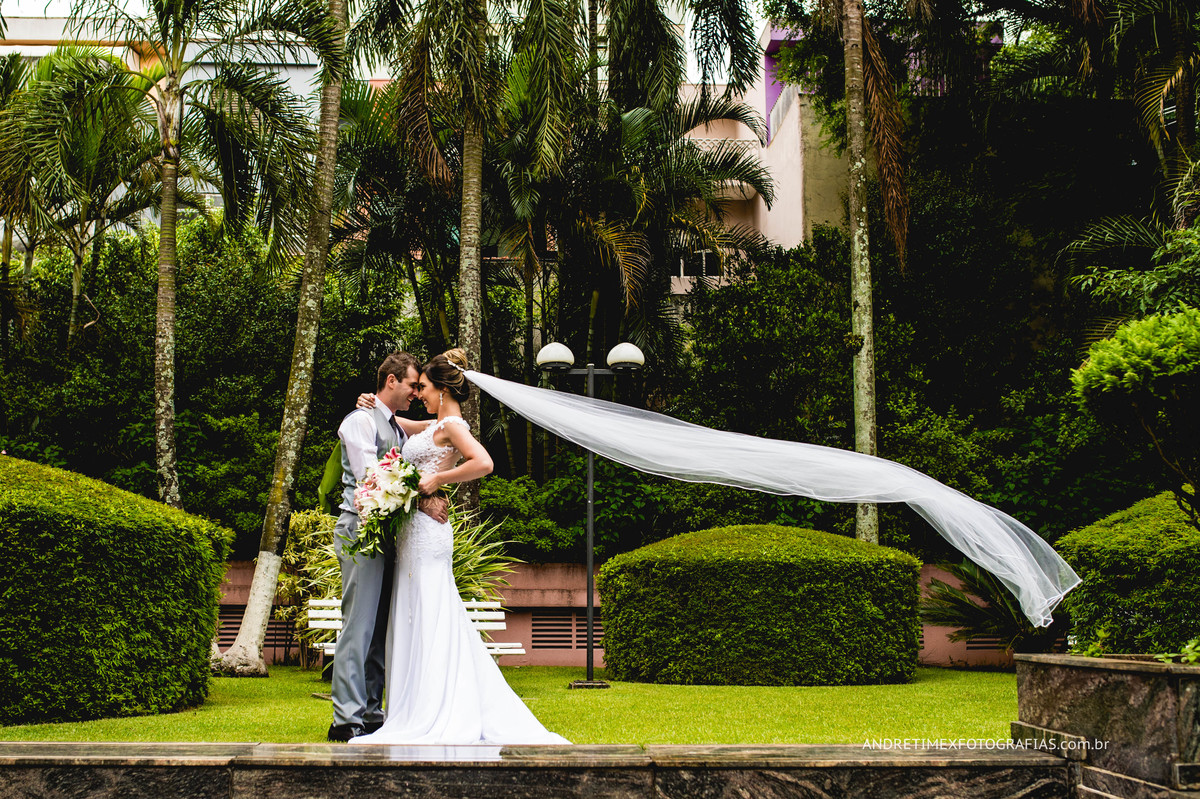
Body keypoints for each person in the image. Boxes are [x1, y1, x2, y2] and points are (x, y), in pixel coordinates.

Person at [350, 349, 569, 745]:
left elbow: (483, 462)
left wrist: (439, 481)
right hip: (413, 531)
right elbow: (396, 421)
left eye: (426, 388)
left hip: (428, 537)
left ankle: (440, 706)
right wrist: (370, 402)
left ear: (443, 388)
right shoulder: (434, 424)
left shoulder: (452, 425)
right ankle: (415, 704)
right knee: (416, 610)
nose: (421, 394)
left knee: (432, 608)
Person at [327, 352, 448, 742]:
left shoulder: (395, 425)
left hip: (387, 534)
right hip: (360, 531)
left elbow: (441, 423)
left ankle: (372, 712)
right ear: (392, 381)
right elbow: (370, 477)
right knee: (358, 626)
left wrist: (450, 391)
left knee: (380, 627)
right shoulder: (360, 420)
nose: (416, 392)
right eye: (413, 385)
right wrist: (423, 495)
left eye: (421, 387)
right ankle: (345, 718)